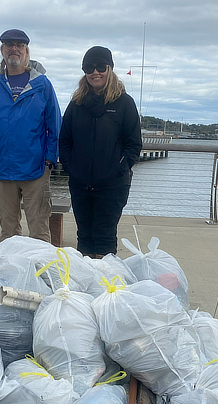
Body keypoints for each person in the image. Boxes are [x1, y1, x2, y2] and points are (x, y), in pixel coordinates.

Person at [0, 29, 61, 243]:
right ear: (2, 50)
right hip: (1, 172)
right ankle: (13, 275)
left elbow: (55, 126)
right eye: (9, 44)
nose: (14, 49)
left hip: (35, 171)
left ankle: (42, 275)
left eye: (19, 45)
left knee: (39, 233)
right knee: (8, 234)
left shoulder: (43, 85)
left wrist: (50, 160)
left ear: (26, 51)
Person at [59, 46, 142, 258]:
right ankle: (86, 284)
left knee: (105, 236)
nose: (95, 72)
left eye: (100, 67)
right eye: (89, 67)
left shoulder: (125, 103)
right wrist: (72, 167)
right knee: (84, 237)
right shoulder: (76, 105)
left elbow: (133, 145)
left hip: (113, 185)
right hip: (80, 184)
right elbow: (65, 141)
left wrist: (119, 168)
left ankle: (106, 285)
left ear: (110, 69)